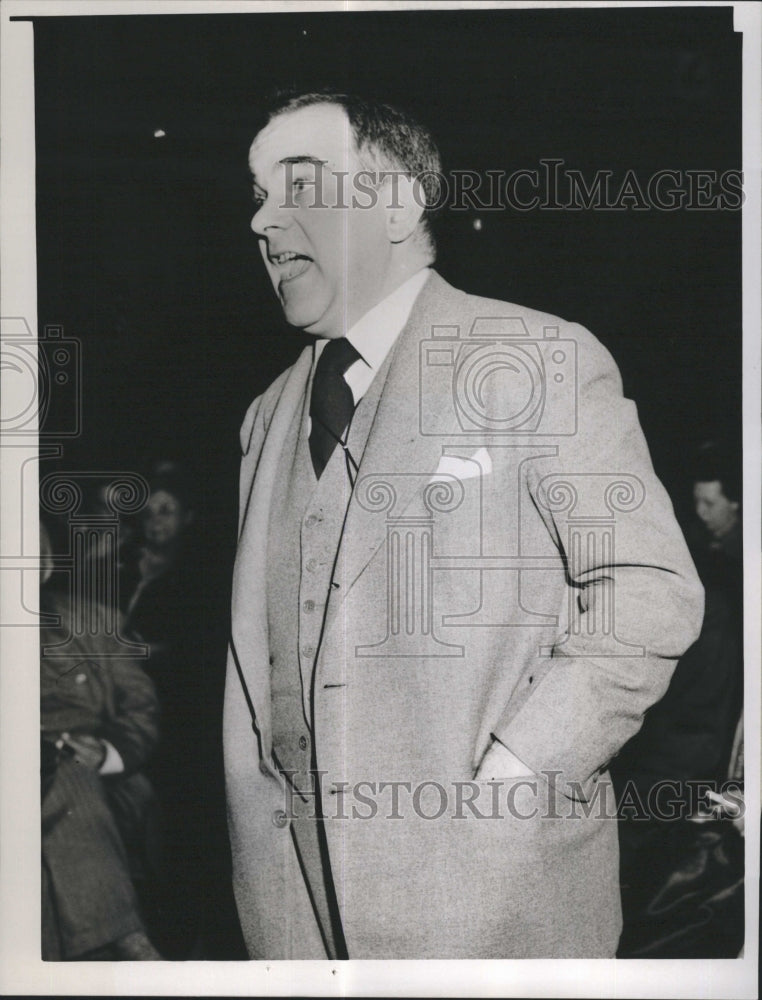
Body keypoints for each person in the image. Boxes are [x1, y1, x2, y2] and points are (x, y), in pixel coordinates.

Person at [223, 89, 704, 959]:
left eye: (297, 186)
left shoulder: (537, 359)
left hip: (493, 910)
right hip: (294, 922)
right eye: (257, 196)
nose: (264, 221)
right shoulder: (265, 416)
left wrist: (521, 770)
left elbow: (649, 592)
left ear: (397, 203)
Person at [39, 520, 162, 960]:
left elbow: (142, 712)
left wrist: (109, 753)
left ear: (46, 560)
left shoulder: (98, 624)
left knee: (69, 778)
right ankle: (126, 940)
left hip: (97, 775)